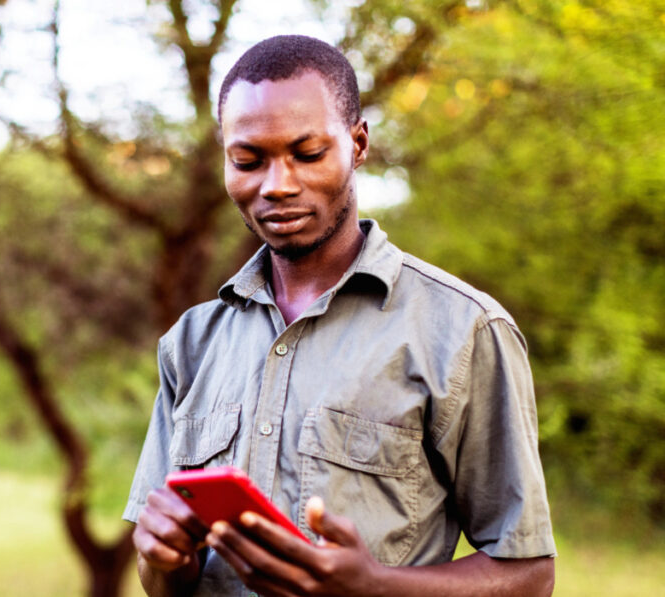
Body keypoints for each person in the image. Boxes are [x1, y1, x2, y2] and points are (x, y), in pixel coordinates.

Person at [123, 35, 556, 597]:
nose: (277, 185)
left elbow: (529, 575)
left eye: (308, 154)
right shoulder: (192, 341)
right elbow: (162, 581)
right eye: (248, 161)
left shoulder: (464, 331)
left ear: (357, 144)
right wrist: (161, 557)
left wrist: (375, 586)